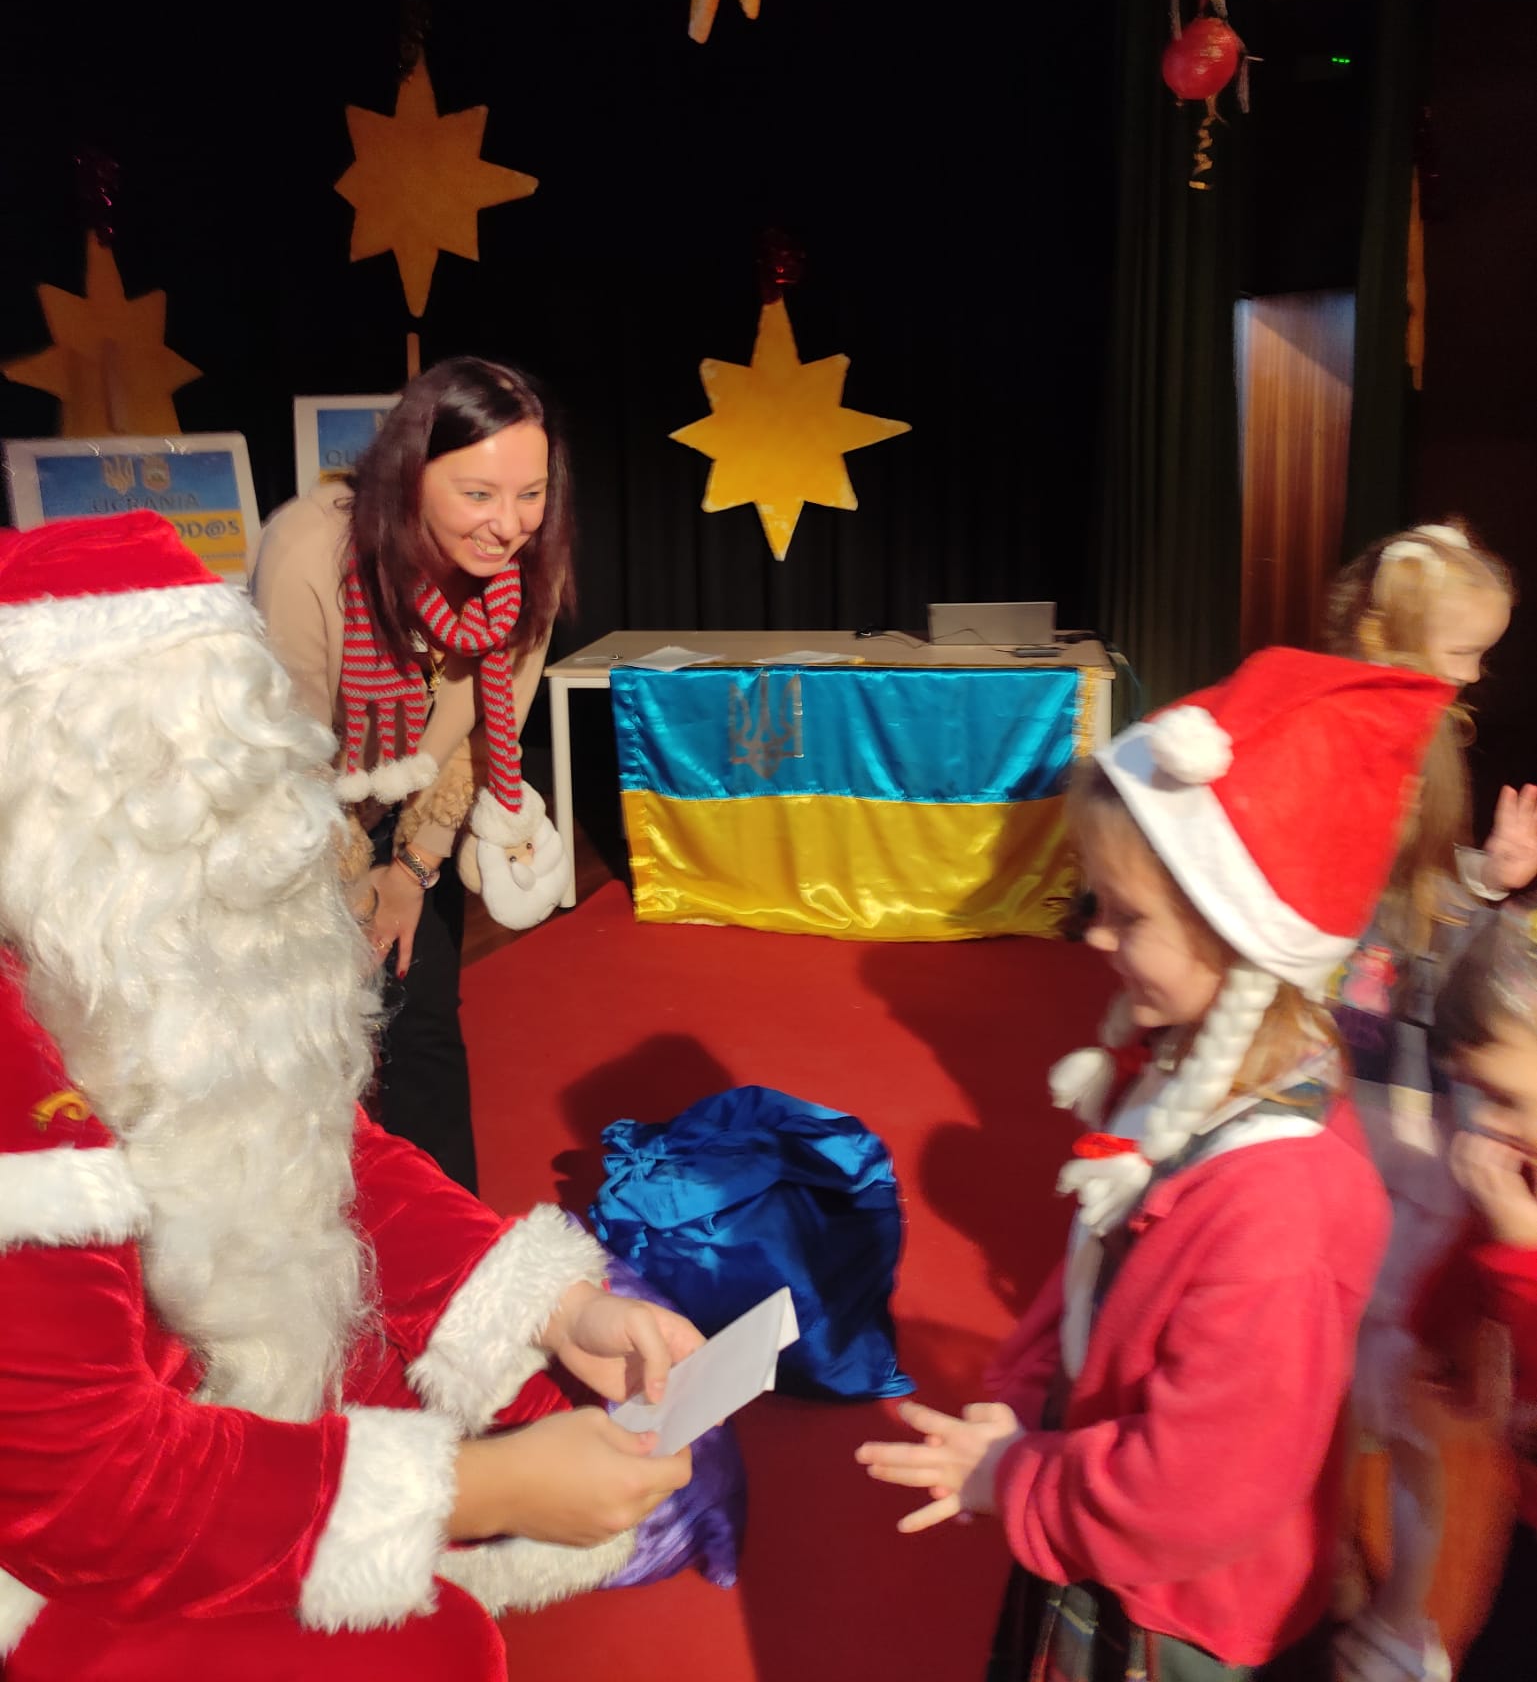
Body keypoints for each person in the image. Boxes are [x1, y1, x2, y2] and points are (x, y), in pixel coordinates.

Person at [0, 512, 698, 1681]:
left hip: (214, 1385)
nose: (249, 842)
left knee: (579, 1398)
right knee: (438, 1647)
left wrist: (556, 1307)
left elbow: (310, 1155)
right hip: (52, 1543)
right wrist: (475, 1491)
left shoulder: (139, 952)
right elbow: (85, 1496)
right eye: (176, 795)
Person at [855, 647, 1453, 1679]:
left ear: (1237, 938)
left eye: (1126, 916)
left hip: (1176, 1614)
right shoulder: (1183, 1067)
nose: (1094, 938)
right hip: (1095, 1509)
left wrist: (1019, 1476)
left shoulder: (1282, 1209)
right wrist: (1024, 1390)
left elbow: (1193, 1496)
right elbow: (1098, 1253)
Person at [255, 356, 573, 1192]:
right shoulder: (310, 555)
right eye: (478, 494)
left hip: (417, 806)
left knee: (421, 1019)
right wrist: (347, 886)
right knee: (307, 1039)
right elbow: (280, 766)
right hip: (291, 819)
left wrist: (410, 872)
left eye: (530, 493)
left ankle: (453, 1270)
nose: (509, 526)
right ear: (408, 475)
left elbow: (479, 740)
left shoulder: (528, 573)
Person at [1321, 520, 1537, 1682]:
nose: (1476, 675)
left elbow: (1402, 922)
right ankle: (1375, 1599)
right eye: (1463, 650)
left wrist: (1480, 885)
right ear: (1398, 639)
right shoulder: (1364, 748)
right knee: (1364, 1378)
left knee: (1383, 1384)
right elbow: (1367, 926)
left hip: (1398, 1109)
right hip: (1362, 1102)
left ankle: (1396, 1614)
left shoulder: (1417, 741)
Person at [1411, 901, 1537, 1680]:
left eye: (1502, 1099)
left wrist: (1521, 1246)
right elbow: (1467, 1258)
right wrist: (1442, 1341)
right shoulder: (1515, 1165)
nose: (1482, 1126)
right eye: (1469, 1094)